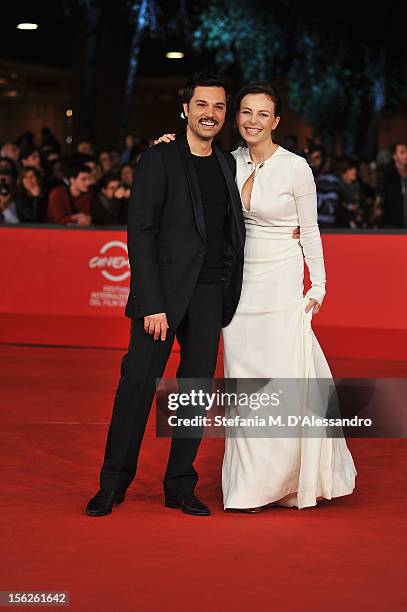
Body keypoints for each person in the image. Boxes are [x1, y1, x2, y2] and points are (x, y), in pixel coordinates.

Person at [156, 82, 356, 512]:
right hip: (236, 287)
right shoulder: (226, 161)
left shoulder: (296, 168)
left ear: (276, 121)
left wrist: (317, 285)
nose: (252, 121)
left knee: (282, 382)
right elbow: (191, 173)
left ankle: (287, 481)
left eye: (262, 114)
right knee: (244, 389)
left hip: (282, 285)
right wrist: (169, 143)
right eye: (245, 112)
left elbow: (312, 230)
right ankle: (249, 485)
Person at [85, 72, 246, 518]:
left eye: (217, 107)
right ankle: (113, 483)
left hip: (210, 293)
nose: (210, 113)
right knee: (137, 386)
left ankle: (179, 485)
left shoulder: (227, 164)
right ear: (186, 109)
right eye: (202, 105)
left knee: (193, 392)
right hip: (162, 299)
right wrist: (151, 301)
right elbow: (141, 231)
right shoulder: (159, 159)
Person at [307, 145, 341, 227]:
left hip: (324, 227)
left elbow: (330, 209)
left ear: (324, 160)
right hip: (306, 227)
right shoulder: (306, 178)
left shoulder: (331, 180)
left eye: (317, 158)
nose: (312, 161)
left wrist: (308, 197)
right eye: (310, 158)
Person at [377, 141, 407, 227]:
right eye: (402, 152)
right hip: (391, 226)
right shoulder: (387, 177)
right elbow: (380, 198)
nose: (406, 155)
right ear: (394, 156)